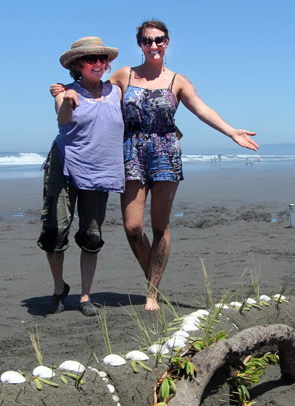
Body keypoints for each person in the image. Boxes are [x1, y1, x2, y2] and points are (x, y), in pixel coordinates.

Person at [52, 20, 259, 310]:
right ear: (140, 44)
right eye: (147, 41)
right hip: (131, 151)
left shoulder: (178, 81)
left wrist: (231, 131)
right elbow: (94, 92)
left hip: (165, 153)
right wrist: (66, 91)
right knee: (133, 226)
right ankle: (152, 280)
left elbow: (201, 109)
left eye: (159, 40)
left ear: (167, 42)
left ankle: (152, 292)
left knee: (160, 226)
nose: (154, 46)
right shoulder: (125, 75)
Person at [38, 36, 124, 316]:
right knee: (55, 230)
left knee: (91, 235)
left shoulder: (117, 91)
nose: (98, 64)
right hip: (65, 167)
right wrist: (66, 100)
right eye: (90, 60)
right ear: (78, 65)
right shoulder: (64, 92)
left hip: (100, 170)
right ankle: (58, 288)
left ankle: (85, 297)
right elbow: (63, 120)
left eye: (102, 59)